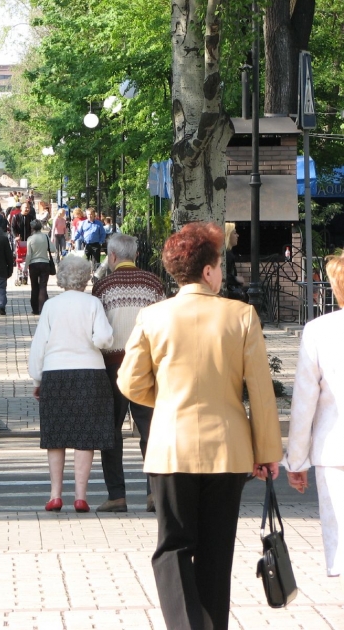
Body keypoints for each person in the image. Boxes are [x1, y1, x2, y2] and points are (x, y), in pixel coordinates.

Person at [117, 222, 282, 630]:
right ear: (208, 272)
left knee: (172, 546)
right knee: (215, 551)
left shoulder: (153, 316)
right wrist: (267, 453)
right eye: (220, 264)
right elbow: (260, 392)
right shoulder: (241, 316)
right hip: (228, 452)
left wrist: (169, 399)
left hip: (170, 446)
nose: (221, 272)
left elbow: (129, 381)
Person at [29, 255, 115, 513]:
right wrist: (96, 342)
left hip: (56, 374)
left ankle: (55, 495)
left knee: (55, 436)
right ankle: (81, 496)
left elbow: (39, 346)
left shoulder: (51, 307)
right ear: (87, 277)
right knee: (84, 436)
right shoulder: (93, 303)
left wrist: (37, 378)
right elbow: (103, 338)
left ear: (62, 277)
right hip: (90, 374)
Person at [91, 234, 166, 513]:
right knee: (151, 431)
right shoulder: (153, 283)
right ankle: (154, 495)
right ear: (134, 255)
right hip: (148, 366)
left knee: (111, 431)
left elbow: (95, 328)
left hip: (113, 367)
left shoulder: (103, 286)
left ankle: (117, 496)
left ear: (112, 257)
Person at [284, 252, 344, 581]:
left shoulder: (320, 331)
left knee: (341, 541)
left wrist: (296, 461)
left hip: (335, 450)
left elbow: (305, 402)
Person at [25, 220, 56, 315]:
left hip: (33, 265)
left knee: (34, 287)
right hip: (45, 264)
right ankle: (43, 308)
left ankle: (35, 309)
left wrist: (25, 267)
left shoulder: (30, 239)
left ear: (32, 228)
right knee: (43, 287)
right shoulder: (45, 237)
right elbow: (53, 249)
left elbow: (29, 254)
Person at [224, 222, 247, 302]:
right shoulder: (227, 255)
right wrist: (236, 279)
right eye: (234, 233)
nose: (237, 235)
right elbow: (223, 275)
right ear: (228, 235)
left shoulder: (228, 253)